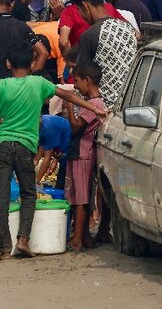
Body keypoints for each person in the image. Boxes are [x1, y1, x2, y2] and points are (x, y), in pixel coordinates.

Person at [0, 43, 106, 260]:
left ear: (8, 64)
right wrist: (94, 108)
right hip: (25, 145)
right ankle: (23, 240)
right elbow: (68, 96)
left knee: (1, 194)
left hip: (1, 145)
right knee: (28, 193)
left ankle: (5, 249)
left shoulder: (1, 84)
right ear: (32, 63)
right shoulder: (39, 83)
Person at [73, 0, 138, 109]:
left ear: (85, 6)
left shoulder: (90, 35)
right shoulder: (128, 28)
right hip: (129, 103)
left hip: (102, 109)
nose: (81, 15)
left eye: (79, 10)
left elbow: (81, 79)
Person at [64, 61, 107, 252]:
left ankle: (77, 240)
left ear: (87, 81)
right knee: (75, 195)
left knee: (81, 199)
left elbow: (75, 127)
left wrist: (68, 102)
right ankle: (84, 237)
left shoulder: (95, 104)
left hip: (83, 154)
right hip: (78, 153)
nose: (75, 86)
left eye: (78, 81)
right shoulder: (92, 103)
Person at [36, 114, 71, 187]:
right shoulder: (43, 125)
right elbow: (40, 151)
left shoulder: (48, 127)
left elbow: (47, 159)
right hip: (62, 156)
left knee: (64, 187)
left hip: (70, 158)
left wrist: (36, 181)